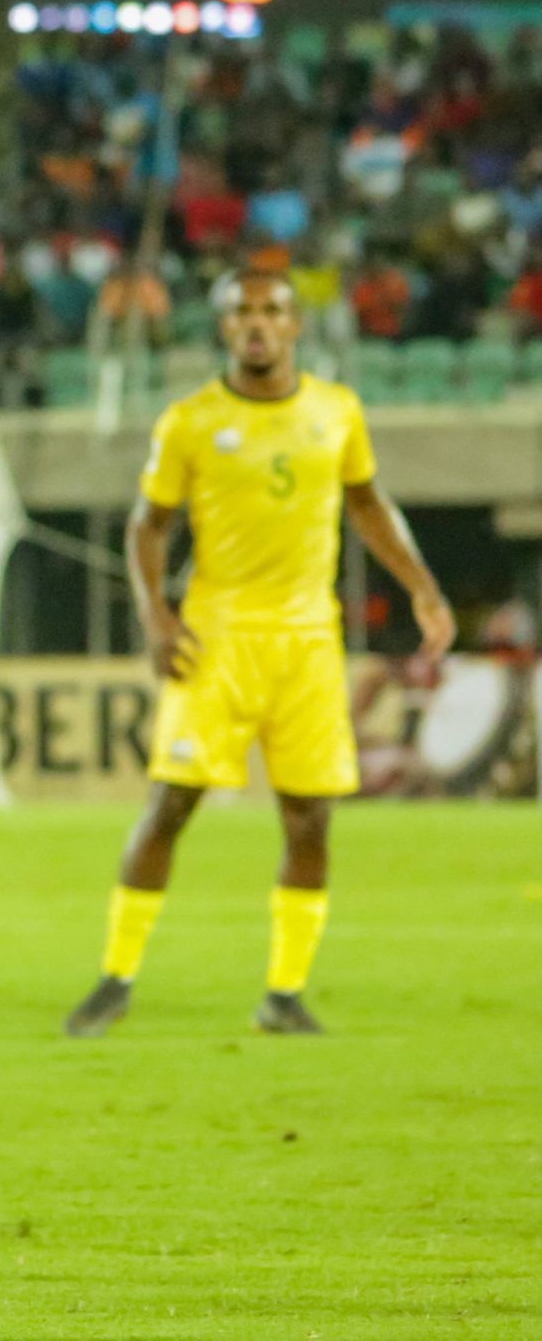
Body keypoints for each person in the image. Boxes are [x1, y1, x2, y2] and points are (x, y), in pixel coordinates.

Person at [64, 270, 453, 1039]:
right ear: (223, 328)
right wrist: (156, 616)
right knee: (171, 804)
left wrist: (424, 588)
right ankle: (115, 977)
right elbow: (148, 524)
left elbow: (368, 504)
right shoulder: (191, 421)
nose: (256, 323)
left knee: (309, 820)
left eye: (271, 310)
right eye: (241, 311)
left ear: (294, 326)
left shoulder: (337, 411)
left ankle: (284, 993)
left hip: (308, 643)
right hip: (217, 639)